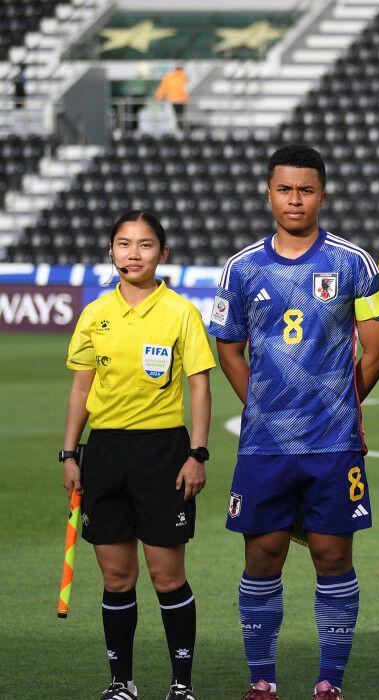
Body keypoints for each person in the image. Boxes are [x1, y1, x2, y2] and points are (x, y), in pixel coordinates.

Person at [209, 144, 379, 700]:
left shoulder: (355, 264)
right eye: (285, 189)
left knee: (332, 557)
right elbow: (228, 348)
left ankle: (329, 682)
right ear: (269, 193)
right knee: (262, 555)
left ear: (322, 195)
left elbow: (378, 349)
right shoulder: (241, 268)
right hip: (265, 447)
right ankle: (262, 680)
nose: (295, 199)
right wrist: (263, 406)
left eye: (306, 189)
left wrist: (340, 403)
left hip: (333, 443)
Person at [62, 210, 214, 700]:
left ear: (162, 253)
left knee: (167, 577)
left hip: (163, 453)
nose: (133, 254)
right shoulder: (95, 313)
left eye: (145, 245)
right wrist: (69, 453)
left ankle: (181, 685)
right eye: (124, 244)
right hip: (105, 452)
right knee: (116, 577)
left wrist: (197, 453)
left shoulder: (181, 312)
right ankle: (121, 682)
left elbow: (199, 386)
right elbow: (81, 388)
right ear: (111, 251)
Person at [155, 66, 189, 130]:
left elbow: (163, 88)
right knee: (181, 114)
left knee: (176, 114)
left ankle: (179, 127)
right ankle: (181, 127)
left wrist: (158, 96)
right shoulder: (183, 77)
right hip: (182, 100)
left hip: (173, 99)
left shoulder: (169, 77)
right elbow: (185, 88)